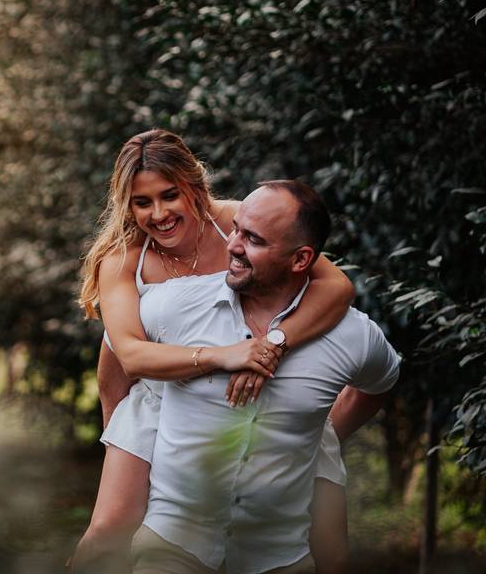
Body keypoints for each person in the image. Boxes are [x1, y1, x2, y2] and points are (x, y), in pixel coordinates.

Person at [72, 130, 356, 572]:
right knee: (109, 529)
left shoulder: (242, 223)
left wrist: (273, 346)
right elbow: (126, 356)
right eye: (142, 202)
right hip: (164, 391)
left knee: (328, 546)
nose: (159, 214)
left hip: (257, 385)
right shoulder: (124, 258)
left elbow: (337, 285)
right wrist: (222, 356)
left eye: (170, 195)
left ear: (195, 185)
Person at [129, 180, 400, 573]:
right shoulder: (176, 305)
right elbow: (119, 352)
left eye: (253, 239)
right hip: (173, 547)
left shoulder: (353, 336)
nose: (233, 246)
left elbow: (382, 382)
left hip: (279, 558)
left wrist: (322, 438)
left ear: (301, 259)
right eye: (236, 228)